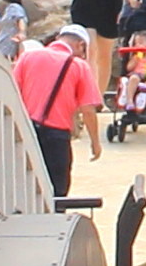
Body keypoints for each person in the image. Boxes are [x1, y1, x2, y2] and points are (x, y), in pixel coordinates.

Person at [11, 21, 104, 196]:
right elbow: (88, 110)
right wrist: (95, 142)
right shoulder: (79, 66)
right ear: (81, 45)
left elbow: (11, 93)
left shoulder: (28, 57)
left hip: (26, 132)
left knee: (25, 188)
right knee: (57, 192)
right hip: (57, 136)